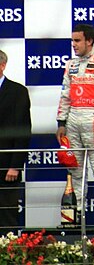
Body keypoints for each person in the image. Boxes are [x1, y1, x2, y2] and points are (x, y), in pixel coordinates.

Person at [56, 24, 94, 221]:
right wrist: (61, 122)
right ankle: (78, 214)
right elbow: (65, 95)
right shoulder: (70, 65)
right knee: (75, 169)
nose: (73, 44)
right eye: (72, 40)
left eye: (77, 40)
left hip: (93, 119)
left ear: (89, 41)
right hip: (73, 118)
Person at [0, 49, 32, 235]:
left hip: (6, 167)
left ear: (2, 66)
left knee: (6, 215)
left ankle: (7, 254)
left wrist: (15, 165)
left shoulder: (18, 92)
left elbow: (23, 131)